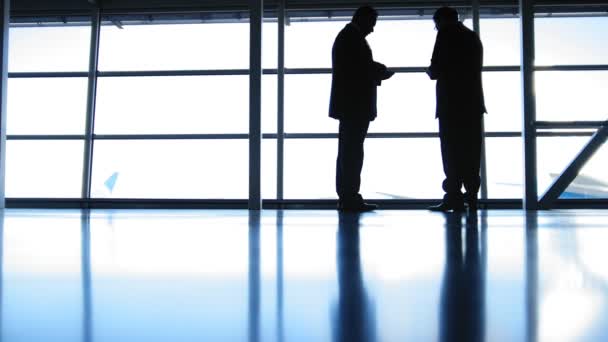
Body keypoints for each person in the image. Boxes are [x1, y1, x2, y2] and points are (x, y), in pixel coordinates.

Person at [329, 5, 394, 212]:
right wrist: (379, 71)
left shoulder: (348, 37)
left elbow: (354, 67)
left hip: (350, 106)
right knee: (352, 152)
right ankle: (350, 197)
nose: (372, 29)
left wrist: (375, 69)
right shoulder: (352, 38)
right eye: (372, 24)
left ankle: (348, 196)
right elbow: (358, 69)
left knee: (349, 151)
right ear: (363, 19)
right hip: (354, 105)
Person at [426, 6, 487, 212]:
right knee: (471, 152)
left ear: (441, 21)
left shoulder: (446, 33)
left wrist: (430, 71)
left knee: (451, 152)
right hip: (472, 103)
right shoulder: (472, 37)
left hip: (451, 104)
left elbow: (436, 69)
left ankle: (453, 196)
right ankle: (472, 196)